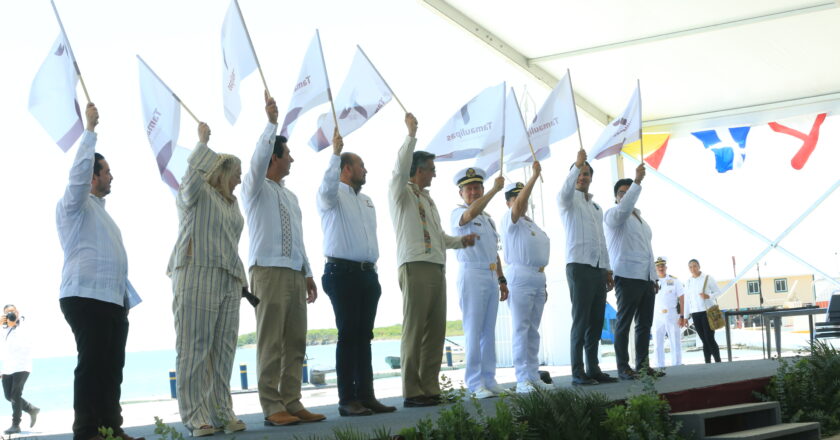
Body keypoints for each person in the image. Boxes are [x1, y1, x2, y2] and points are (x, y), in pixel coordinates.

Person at [56, 103, 144, 440]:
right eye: (105, 170)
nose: (111, 175)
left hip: (111, 301)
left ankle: (110, 429)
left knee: (111, 370)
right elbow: (77, 175)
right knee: (92, 367)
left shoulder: (103, 214)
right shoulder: (74, 205)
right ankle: (86, 431)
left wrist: (125, 301)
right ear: (92, 176)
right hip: (85, 297)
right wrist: (90, 131)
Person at [241, 93, 324, 426]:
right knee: (270, 340)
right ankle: (271, 405)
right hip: (267, 271)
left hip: (292, 272)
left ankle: (291, 400)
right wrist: (272, 123)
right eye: (287, 154)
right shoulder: (255, 187)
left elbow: (300, 239)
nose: (292, 160)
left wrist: (307, 272)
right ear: (274, 158)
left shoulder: (290, 195)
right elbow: (258, 158)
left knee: (296, 340)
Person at [388, 113, 476, 408]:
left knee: (435, 329)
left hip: (437, 266)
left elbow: (438, 236)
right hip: (414, 266)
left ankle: (429, 386)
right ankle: (412, 391)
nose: (435, 174)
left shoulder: (428, 199)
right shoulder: (400, 193)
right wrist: (410, 136)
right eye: (431, 169)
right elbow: (399, 171)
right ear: (418, 170)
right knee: (414, 329)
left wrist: (459, 242)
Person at [167, 120, 247, 437]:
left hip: (228, 277)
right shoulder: (196, 194)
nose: (239, 178)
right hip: (196, 272)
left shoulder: (232, 203)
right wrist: (201, 144)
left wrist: (240, 280)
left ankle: (221, 410)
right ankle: (195, 414)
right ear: (221, 172)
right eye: (236, 173)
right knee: (195, 347)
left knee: (224, 350)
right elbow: (188, 185)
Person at [317, 129, 396, 416]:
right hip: (342, 272)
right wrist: (335, 153)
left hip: (367, 274)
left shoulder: (366, 200)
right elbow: (327, 186)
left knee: (364, 336)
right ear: (347, 169)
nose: (366, 170)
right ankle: (346, 399)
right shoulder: (331, 195)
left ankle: (366, 395)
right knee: (348, 334)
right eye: (361, 165)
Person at [557, 149, 617, 386]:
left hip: (598, 268)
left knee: (596, 320)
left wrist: (608, 269)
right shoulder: (568, 200)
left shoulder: (596, 208)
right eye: (580, 173)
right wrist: (576, 165)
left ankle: (593, 368)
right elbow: (564, 190)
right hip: (579, 266)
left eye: (586, 174)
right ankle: (577, 371)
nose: (583, 177)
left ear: (592, 177)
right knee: (581, 320)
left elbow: (602, 239)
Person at [450, 167, 509, 399]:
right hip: (471, 273)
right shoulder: (458, 213)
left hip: (490, 274)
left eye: (477, 188)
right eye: (469, 189)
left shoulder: (487, 219)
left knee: (488, 331)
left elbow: (493, 252)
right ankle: (474, 384)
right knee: (473, 331)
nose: (473, 192)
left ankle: (489, 379)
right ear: (461, 194)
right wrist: (495, 189)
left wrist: (501, 278)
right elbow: (468, 216)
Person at [604, 167, 660, 380]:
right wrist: (637, 182)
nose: (626, 195)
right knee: (624, 322)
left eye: (629, 191)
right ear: (616, 197)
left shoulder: (642, 221)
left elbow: (649, 250)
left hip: (645, 277)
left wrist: (653, 276)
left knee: (645, 324)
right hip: (626, 275)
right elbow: (625, 207)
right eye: (622, 193)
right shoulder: (614, 215)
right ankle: (623, 367)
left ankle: (643, 365)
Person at [502, 162, 553, 394]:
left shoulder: (531, 223)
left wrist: (543, 282)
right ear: (509, 201)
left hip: (537, 277)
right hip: (520, 276)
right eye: (515, 197)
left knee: (533, 329)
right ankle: (522, 378)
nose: (520, 200)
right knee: (521, 329)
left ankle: (533, 375)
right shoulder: (509, 220)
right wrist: (534, 177)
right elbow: (519, 206)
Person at [1, 305, 39, 434]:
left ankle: (16, 425)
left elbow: (24, 344)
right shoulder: (4, 329)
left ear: (17, 312)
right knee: (8, 396)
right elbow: (5, 349)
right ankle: (31, 409)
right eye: (7, 313)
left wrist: (14, 324)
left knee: (15, 395)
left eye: (12, 311)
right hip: (8, 367)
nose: (10, 314)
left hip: (22, 366)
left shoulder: (25, 324)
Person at [682, 259, 723, 363]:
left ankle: (718, 362)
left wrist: (709, 296)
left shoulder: (707, 278)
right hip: (695, 313)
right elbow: (687, 300)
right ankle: (707, 363)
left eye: (695, 266)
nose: (693, 269)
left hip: (707, 312)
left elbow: (718, 292)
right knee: (704, 340)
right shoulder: (688, 282)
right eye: (690, 267)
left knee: (709, 338)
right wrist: (685, 317)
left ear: (699, 266)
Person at [653, 257, 684, 368]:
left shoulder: (674, 281)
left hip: (672, 313)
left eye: (662, 266)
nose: (660, 268)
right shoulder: (651, 281)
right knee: (657, 342)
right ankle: (659, 365)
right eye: (658, 266)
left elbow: (681, 298)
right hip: (656, 315)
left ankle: (677, 364)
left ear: (666, 267)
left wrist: (682, 316)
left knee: (675, 340)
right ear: (655, 268)